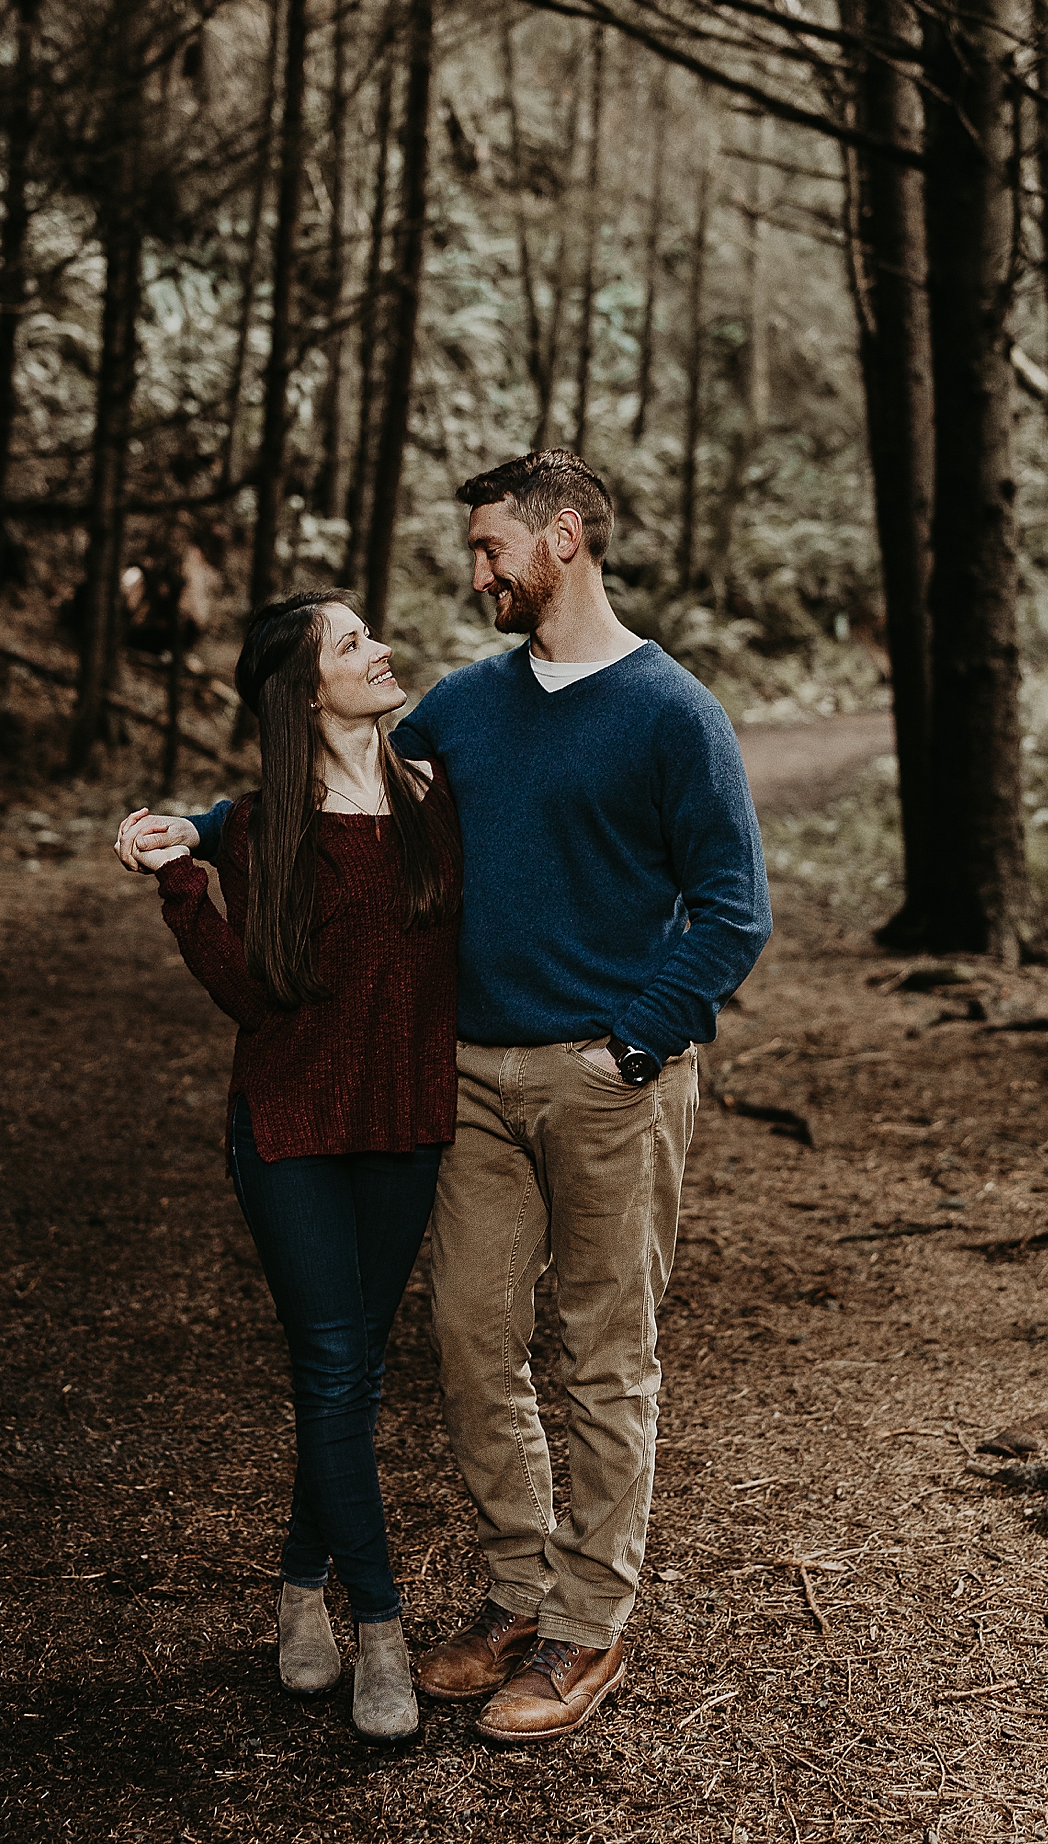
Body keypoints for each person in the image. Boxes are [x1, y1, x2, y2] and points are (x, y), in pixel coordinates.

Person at [388, 449, 772, 1744]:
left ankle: (585, 1625)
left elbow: (734, 910)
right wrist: (209, 830)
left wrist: (636, 1044)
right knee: (469, 1339)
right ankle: (512, 1592)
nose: (476, 569)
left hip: (614, 1082)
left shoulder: (674, 713)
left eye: (493, 546)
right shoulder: (461, 706)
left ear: (565, 538)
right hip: (476, 1079)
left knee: (606, 1358)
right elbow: (347, 800)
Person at [115, 591, 461, 1744]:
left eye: (371, 632)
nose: (380, 649)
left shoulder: (437, 796)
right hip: (289, 1127)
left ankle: (296, 1585)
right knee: (330, 1374)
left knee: (355, 1378)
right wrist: (181, 874)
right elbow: (249, 994)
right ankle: (379, 1629)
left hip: (405, 1122)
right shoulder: (265, 827)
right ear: (304, 691)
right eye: (351, 642)